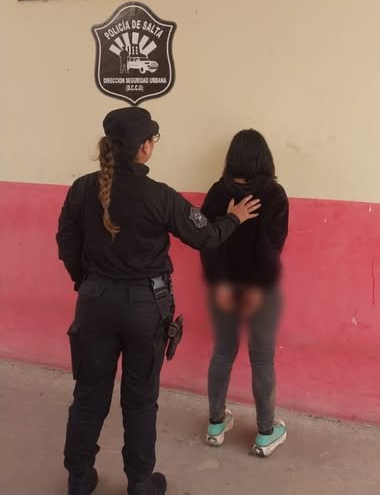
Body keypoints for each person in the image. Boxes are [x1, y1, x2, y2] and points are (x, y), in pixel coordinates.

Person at [56, 107, 260, 495]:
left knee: (88, 396)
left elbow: (66, 241)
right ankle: (139, 483)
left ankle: (79, 480)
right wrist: (234, 218)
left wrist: (87, 283)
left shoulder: (81, 188)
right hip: (145, 310)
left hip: (94, 304)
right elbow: (206, 237)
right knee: (140, 401)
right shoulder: (159, 196)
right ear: (145, 147)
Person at [200, 129, 289, 457]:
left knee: (223, 352)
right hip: (261, 289)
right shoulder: (274, 194)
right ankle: (265, 433)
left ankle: (215, 425)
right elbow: (270, 246)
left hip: (222, 287)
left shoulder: (218, 191)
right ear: (264, 158)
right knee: (262, 357)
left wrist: (220, 283)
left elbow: (206, 241)